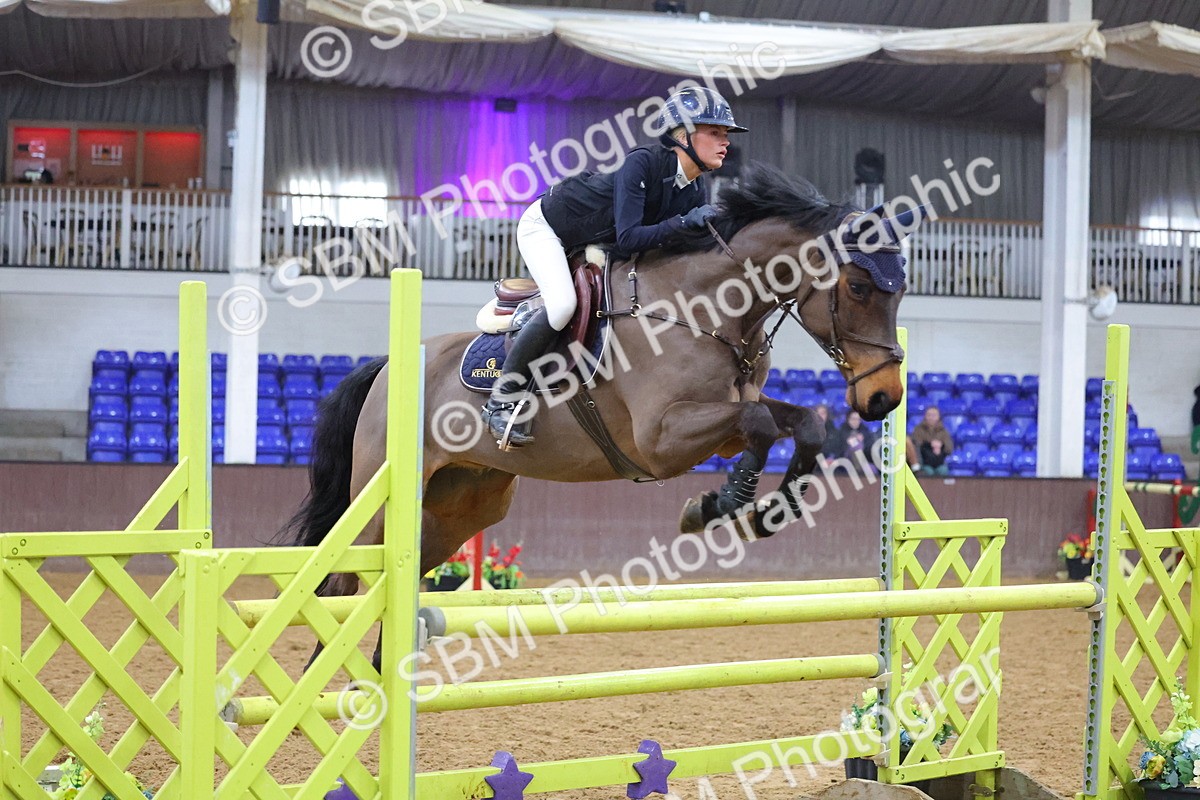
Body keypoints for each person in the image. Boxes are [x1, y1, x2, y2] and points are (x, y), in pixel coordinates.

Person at [482, 86, 748, 447]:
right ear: (683, 135)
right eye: (716, 132)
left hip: (595, 243)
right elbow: (630, 238)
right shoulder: (644, 163)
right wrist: (686, 224)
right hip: (547, 228)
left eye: (726, 135)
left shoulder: (693, 190)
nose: (725, 142)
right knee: (562, 305)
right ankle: (503, 399)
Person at [828, 411, 877, 475]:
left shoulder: (865, 432)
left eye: (858, 419)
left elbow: (870, 449)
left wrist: (863, 440)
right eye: (853, 419)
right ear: (848, 419)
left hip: (864, 460)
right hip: (845, 461)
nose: (855, 421)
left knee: (872, 469)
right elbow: (837, 449)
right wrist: (847, 442)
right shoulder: (841, 431)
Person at [911, 405, 955, 476]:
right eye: (929, 415)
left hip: (939, 462)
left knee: (943, 470)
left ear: (939, 417)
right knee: (928, 471)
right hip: (924, 462)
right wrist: (930, 445)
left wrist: (941, 446)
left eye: (934, 415)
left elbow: (949, 448)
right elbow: (915, 445)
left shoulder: (943, 431)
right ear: (925, 416)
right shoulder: (918, 429)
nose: (931, 418)